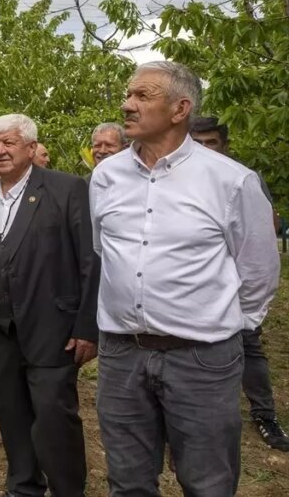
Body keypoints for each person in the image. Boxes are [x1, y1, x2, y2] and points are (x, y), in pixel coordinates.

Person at [91, 61, 280, 495]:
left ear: (180, 109)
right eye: (128, 94)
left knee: (208, 482)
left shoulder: (231, 181)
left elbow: (258, 270)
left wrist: (225, 328)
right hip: (122, 355)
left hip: (202, 360)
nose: (127, 105)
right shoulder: (105, 177)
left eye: (142, 96)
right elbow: (107, 251)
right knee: (128, 481)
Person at [0, 113, 99, 497]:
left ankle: (68, 489)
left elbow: (90, 260)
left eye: (9, 143)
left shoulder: (67, 189)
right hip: (0, 330)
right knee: (11, 412)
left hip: (53, 329)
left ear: (32, 149)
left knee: (55, 417)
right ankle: (23, 485)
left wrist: (87, 327)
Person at [189, 115, 288, 451]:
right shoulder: (177, 179)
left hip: (233, 288)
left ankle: (264, 414)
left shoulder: (241, 179)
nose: (204, 149)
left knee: (249, 345)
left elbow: (264, 232)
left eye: (210, 142)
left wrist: (247, 309)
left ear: (225, 145)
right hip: (191, 293)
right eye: (197, 143)